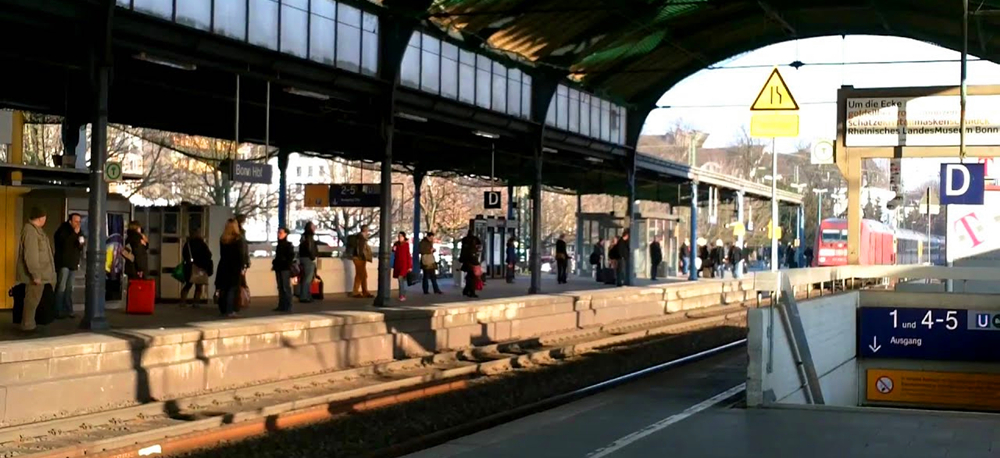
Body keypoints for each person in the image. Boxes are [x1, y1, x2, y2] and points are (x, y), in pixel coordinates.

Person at [16, 207, 56, 331]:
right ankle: (27, 325)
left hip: (41, 273)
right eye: (44, 217)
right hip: (36, 275)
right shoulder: (31, 232)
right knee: (31, 300)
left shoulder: (37, 231)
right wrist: (35, 274)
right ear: (40, 218)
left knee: (34, 300)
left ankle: (30, 323)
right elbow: (31, 255)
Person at [53, 213, 84, 319]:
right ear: (70, 221)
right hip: (63, 263)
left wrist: (80, 242)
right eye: (76, 221)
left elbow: (80, 245)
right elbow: (65, 244)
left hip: (73, 263)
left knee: (69, 288)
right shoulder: (63, 230)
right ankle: (58, 310)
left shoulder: (79, 231)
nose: (78, 224)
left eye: (79, 221)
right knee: (61, 287)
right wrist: (74, 234)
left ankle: (68, 310)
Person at [216, 219, 249, 317]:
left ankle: (223, 309)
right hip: (234, 266)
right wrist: (243, 266)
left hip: (223, 265)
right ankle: (230, 310)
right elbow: (240, 254)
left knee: (224, 288)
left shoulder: (223, 239)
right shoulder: (238, 239)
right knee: (233, 288)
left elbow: (222, 254)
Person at [180, 228, 213, 308]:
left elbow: (184, 254)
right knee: (198, 287)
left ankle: (183, 302)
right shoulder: (202, 244)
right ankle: (196, 302)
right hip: (200, 268)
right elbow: (209, 255)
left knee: (187, 285)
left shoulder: (188, 244)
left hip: (190, 267)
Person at [272, 227, 296, 313]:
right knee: (280, 287)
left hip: (284, 268)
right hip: (279, 267)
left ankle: (288, 305)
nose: (279, 234)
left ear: (286, 234)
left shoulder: (288, 245)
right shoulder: (279, 245)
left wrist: (285, 263)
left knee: (285, 287)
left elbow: (290, 257)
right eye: (278, 232)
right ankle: (282, 305)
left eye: (281, 233)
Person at [350, 226, 374, 298]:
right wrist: (363, 256)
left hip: (357, 258)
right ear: (365, 230)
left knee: (363, 275)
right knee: (360, 275)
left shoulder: (359, 237)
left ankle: (365, 291)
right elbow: (360, 250)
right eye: (368, 230)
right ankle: (356, 292)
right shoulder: (361, 238)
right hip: (359, 258)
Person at [298, 222, 319, 303]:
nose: (315, 227)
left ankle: (305, 295)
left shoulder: (304, 236)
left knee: (305, 278)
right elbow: (310, 248)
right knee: (308, 279)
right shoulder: (309, 236)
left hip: (303, 258)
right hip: (308, 258)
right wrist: (313, 257)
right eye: (313, 226)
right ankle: (304, 296)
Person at [460, 228, 483, 298]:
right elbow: (476, 250)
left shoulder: (465, 241)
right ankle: (471, 292)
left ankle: (466, 290)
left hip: (466, 261)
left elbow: (463, 251)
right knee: (472, 277)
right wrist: (477, 263)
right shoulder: (473, 243)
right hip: (472, 261)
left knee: (469, 276)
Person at [392, 232, 412, 302]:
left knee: (400, 279)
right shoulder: (396, 244)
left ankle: (401, 295)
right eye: (399, 236)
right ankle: (402, 293)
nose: (399, 238)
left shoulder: (406, 245)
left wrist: (409, 266)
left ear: (404, 237)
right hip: (397, 264)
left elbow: (408, 255)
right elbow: (393, 251)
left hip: (404, 265)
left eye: (401, 236)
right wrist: (393, 249)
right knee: (401, 280)